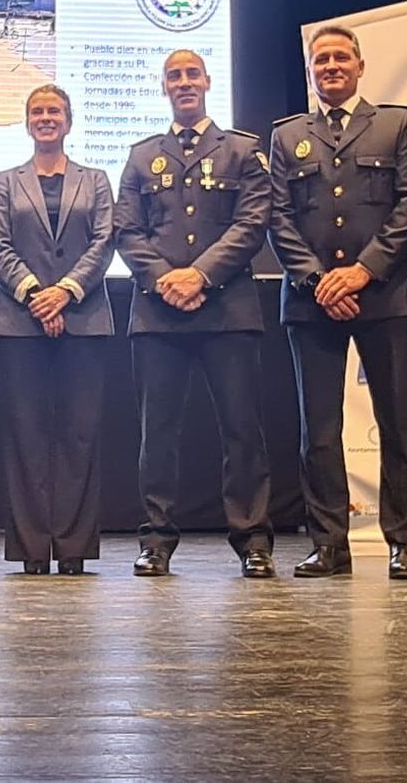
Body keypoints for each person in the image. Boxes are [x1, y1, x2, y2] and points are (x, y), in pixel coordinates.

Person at [268, 25, 407, 580]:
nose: (331, 66)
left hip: (382, 295)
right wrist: (319, 281)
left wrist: (363, 270)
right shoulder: (288, 137)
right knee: (319, 428)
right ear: (310, 72)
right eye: (321, 60)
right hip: (312, 303)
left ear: (361, 66)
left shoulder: (395, 124)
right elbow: (278, 219)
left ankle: (403, 544)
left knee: (400, 423)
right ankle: (329, 545)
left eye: (341, 57)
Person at [114, 49, 276, 579]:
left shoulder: (242, 151)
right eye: (173, 77)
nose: (184, 83)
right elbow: (127, 231)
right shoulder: (142, 156)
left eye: (191, 75)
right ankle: (157, 539)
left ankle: (253, 540)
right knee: (156, 432)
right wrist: (167, 279)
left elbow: (252, 223)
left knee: (241, 431)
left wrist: (199, 275)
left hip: (227, 309)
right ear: (164, 87)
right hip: (158, 314)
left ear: (207, 82)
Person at [0, 85, 115, 575]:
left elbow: (104, 242)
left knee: (80, 436)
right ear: (26, 121)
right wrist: (36, 295)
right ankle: (32, 548)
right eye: (37, 110)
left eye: (53, 111)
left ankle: (75, 547)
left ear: (69, 120)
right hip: (20, 322)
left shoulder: (96, 180)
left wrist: (65, 292)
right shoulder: (5, 181)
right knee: (27, 436)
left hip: (84, 319)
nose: (45, 118)